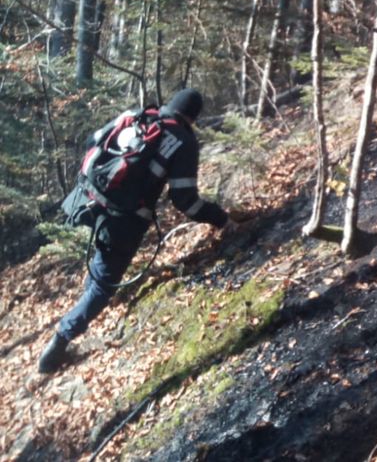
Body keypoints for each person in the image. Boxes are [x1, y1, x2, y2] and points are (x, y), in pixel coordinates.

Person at [37, 89, 234, 374]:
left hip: (89, 198)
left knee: (101, 269)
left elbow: (93, 140)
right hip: (125, 220)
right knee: (105, 284)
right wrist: (221, 220)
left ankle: (82, 308)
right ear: (193, 117)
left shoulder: (137, 115)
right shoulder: (184, 139)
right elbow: (185, 201)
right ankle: (58, 345)